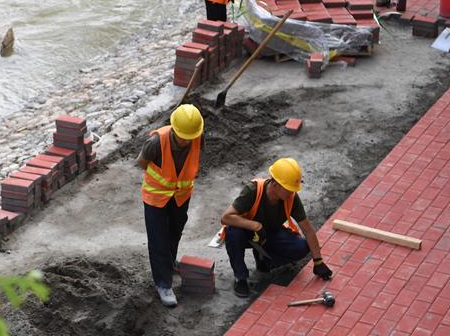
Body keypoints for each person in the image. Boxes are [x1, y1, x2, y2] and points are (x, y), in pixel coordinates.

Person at [220, 157, 333, 298]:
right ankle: (241, 278)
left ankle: (264, 260)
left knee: (301, 247)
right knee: (233, 232)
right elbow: (226, 217)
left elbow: (308, 229)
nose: (291, 193)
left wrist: (318, 261)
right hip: (246, 232)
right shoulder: (253, 190)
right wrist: (254, 225)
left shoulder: (291, 198)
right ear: (275, 184)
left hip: (270, 233)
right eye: (288, 189)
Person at [137, 104, 204, 307]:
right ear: (174, 129)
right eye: (184, 136)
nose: (187, 141)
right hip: (156, 197)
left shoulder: (197, 136)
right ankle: (163, 284)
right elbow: (141, 161)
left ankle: (169, 262)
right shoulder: (156, 142)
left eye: (190, 137)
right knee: (158, 239)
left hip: (181, 196)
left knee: (175, 232)